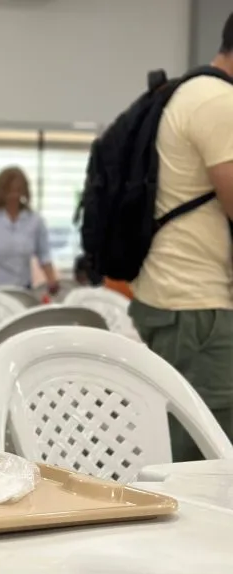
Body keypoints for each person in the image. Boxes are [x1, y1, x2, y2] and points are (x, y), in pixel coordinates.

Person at [129, 13, 233, 461]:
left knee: (182, 436)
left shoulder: (190, 92)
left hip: (174, 298)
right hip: (197, 305)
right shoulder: (218, 101)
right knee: (208, 450)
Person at [0, 166, 59, 293]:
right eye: (9, 190)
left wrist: (52, 280)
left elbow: (44, 255)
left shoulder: (35, 221)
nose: (14, 195)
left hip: (23, 287)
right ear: (0, 191)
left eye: (18, 190)